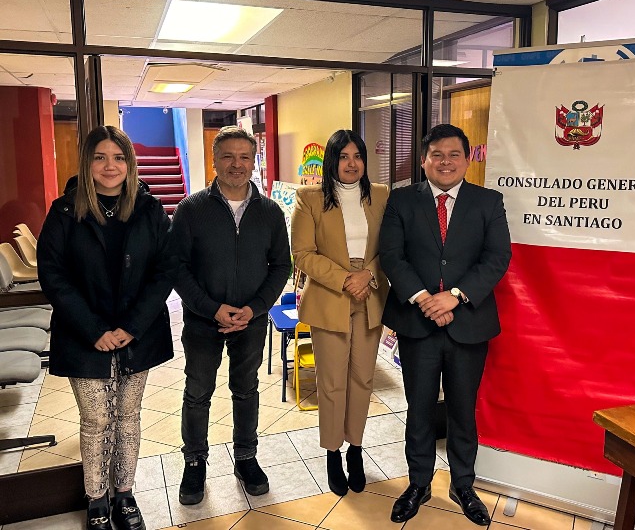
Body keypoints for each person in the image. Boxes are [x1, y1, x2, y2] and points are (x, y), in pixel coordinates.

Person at [38, 125, 173, 530]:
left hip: (138, 334)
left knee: (129, 417)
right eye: (100, 157)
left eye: (119, 157)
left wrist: (132, 325)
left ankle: (124, 494)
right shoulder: (64, 212)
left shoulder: (150, 209)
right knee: (96, 420)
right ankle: (97, 498)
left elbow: (165, 271)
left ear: (130, 163)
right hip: (83, 336)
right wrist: (94, 329)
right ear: (87, 163)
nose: (110, 166)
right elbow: (53, 276)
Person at [379, 124, 511, 526]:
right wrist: (424, 299)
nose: (445, 162)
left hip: (468, 323)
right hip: (416, 324)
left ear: (467, 159)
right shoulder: (402, 200)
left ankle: (463, 485)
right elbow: (392, 255)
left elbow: (497, 257)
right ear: (423, 160)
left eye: (454, 154)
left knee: (462, 409)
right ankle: (418, 483)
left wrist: (455, 295)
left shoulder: (488, 202)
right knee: (418, 409)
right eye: (436, 154)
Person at [170, 126, 291, 505]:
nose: (236, 164)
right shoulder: (191, 209)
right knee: (197, 392)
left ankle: (246, 458)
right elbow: (176, 267)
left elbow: (281, 266)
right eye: (228, 156)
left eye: (244, 157)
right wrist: (212, 309)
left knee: (246, 389)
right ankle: (194, 462)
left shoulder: (270, 212)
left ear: (253, 161)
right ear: (214, 161)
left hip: (251, 321)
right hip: (202, 321)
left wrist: (255, 308)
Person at [291, 129, 390, 496]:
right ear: (331, 161)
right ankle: (333, 452)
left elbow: (393, 246)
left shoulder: (381, 195)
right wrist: (346, 279)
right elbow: (302, 253)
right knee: (332, 382)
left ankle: (355, 449)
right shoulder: (310, 198)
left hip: (371, 293)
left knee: (362, 379)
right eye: (344, 157)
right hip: (330, 295)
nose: (351, 164)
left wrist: (368, 275)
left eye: (357, 156)